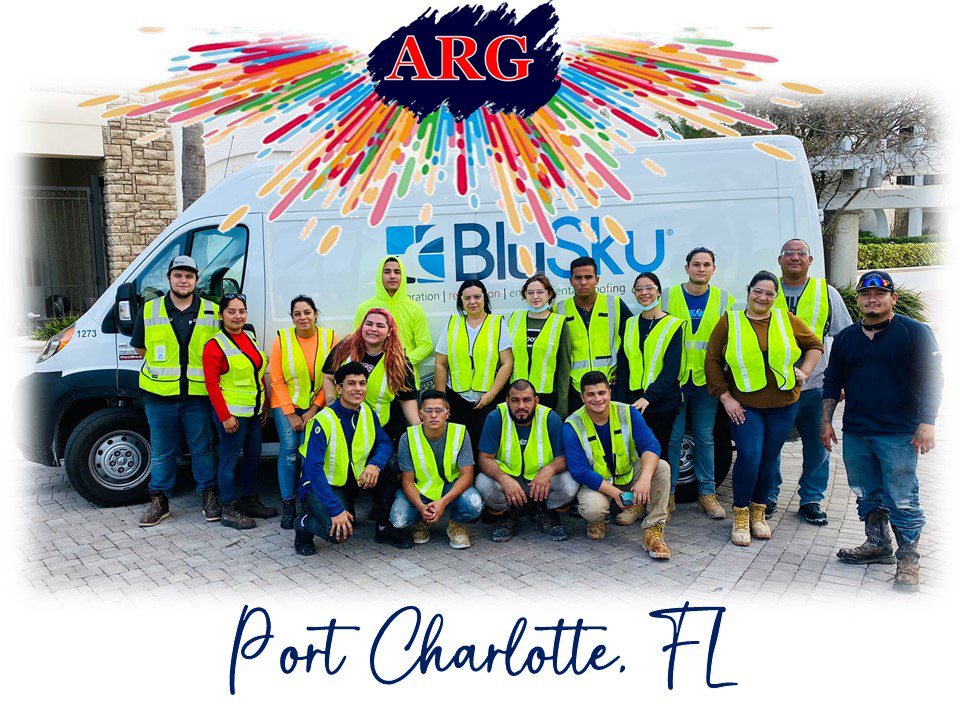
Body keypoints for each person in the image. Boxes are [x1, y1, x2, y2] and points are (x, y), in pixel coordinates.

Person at [822, 271, 943, 591]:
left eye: (879, 294)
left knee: (902, 496)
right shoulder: (847, 337)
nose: (871, 299)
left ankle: (909, 559)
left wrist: (928, 422)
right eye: (865, 294)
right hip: (857, 432)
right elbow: (833, 380)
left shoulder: (914, 332)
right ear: (859, 299)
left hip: (900, 433)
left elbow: (933, 378)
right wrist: (826, 422)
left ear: (893, 298)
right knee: (866, 492)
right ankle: (878, 545)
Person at [705, 271, 822, 547]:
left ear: (775, 296)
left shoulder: (785, 319)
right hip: (745, 406)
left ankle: (759, 515)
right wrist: (726, 398)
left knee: (769, 459)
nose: (763, 297)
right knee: (749, 456)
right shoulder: (730, 321)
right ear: (748, 291)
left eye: (770, 293)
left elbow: (815, 345)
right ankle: (741, 516)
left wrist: (804, 372)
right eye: (758, 291)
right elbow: (711, 360)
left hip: (783, 404)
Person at [767, 239, 853, 523]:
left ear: (810, 260)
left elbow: (844, 338)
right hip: (773, 387)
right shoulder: (767, 291)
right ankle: (767, 496)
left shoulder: (826, 293)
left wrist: (842, 381)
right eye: (788, 253)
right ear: (779, 260)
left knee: (818, 445)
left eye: (800, 253)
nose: (794, 257)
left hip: (817, 385)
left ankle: (812, 500)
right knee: (771, 444)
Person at [132, 255, 219, 527]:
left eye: (189, 276)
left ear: (196, 279)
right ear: (169, 278)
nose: (184, 280)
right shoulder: (149, 310)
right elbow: (140, 349)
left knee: (203, 448)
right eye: (178, 275)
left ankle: (208, 495)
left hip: (198, 397)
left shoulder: (212, 311)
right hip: (159, 398)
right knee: (162, 452)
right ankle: (159, 501)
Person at [294, 362, 411, 554]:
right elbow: (312, 469)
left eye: (362, 383)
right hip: (322, 485)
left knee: (391, 466)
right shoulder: (323, 420)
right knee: (337, 534)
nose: (358, 389)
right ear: (339, 388)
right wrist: (335, 510)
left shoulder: (366, 411)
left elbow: (384, 443)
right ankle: (303, 524)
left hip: (352, 481)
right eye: (351, 384)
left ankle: (383, 527)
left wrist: (375, 465)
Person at [563, 371, 672, 559]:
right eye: (590, 394)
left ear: (610, 393)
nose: (597, 399)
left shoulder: (627, 412)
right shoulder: (572, 424)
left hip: (627, 473)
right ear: (582, 397)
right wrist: (616, 494)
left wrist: (645, 479)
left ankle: (653, 530)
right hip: (597, 483)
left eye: (601, 393)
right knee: (592, 508)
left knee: (661, 468)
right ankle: (597, 521)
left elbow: (651, 445)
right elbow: (580, 471)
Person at [660, 247, 735, 520]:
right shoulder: (667, 296)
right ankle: (667, 495)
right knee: (674, 438)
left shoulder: (724, 299)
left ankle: (707, 493)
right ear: (686, 268)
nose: (701, 269)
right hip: (676, 381)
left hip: (708, 381)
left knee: (705, 437)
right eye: (696, 264)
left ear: (713, 269)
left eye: (706, 264)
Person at [203, 293, 277, 530]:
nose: (237, 316)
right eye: (231, 311)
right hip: (232, 415)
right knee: (228, 460)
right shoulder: (215, 345)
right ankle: (229, 508)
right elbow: (212, 384)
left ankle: (248, 499)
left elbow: (257, 373)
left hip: (253, 412)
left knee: (253, 457)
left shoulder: (249, 337)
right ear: (221, 314)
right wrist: (224, 416)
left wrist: (264, 405)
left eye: (241, 311)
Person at [475, 379, 578, 542]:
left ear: (536, 401)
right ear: (507, 401)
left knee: (570, 483)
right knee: (483, 483)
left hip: (542, 482)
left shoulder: (550, 418)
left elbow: (565, 457)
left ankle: (545, 510)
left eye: (527, 400)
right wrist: (504, 479)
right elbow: (484, 459)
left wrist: (548, 470)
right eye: (515, 400)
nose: (521, 406)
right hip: (509, 481)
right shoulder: (496, 417)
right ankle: (509, 512)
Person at [269, 295, 336, 529]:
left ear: (315, 313)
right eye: (297, 314)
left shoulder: (329, 338)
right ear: (292, 317)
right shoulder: (281, 339)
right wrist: (291, 414)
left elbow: (331, 377)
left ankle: (309, 503)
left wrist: (314, 410)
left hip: (315, 406)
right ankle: (288, 505)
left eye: (307, 312)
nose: (303, 317)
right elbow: (276, 380)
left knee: (310, 453)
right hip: (285, 403)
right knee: (288, 452)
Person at [389, 390, 483, 549]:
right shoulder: (408, 438)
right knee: (399, 519)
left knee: (474, 504)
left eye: (439, 410)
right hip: (422, 489)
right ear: (420, 414)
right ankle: (423, 519)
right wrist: (420, 507)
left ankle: (456, 523)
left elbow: (467, 476)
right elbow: (407, 481)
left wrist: (442, 503)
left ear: (448, 413)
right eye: (428, 410)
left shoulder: (460, 433)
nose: (433, 415)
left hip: (450, 488)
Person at [434, 279, 514, 454]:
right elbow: (440, 363)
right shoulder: (452, 324)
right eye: (467, 298)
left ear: (485, 298)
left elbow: (507, 363)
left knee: (484, 447)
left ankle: (482, 479)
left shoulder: (497, 323)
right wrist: (441, 399)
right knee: (458, 445)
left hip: (487, 399)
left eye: (477, 296)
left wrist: (491, 394)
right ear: (461, 301)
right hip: (456, 397)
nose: (472, 301)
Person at [617, 271, 685, 469]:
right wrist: (622, 399)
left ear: (658, 292)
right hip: (633, 402)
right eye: (639, 289)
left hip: (661, 403)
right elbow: (624, 365)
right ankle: (636, 498)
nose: (644, 293)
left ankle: (661, 499)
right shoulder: (629, 324)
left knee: (658, 454)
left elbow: (671, 370)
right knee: (633, 454)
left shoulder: (673, 325)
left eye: (649, 288)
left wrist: (648, 397)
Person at [321, 308, 420, 443]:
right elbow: (327, 376)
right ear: (362, 327)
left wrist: (417, 426)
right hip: (343, 426)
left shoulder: (399, 361)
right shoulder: (344, 349)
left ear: (390, 332)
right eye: (369, 324)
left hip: (380, 431)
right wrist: (331, 404)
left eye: (380, 326)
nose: (373, 329)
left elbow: (406, 398)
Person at [556, 257, 632, 416]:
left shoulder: (615, 304)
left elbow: (632, 342)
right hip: (576, 391)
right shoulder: (559, 310)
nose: (583, 282)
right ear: (571, 281)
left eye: (588, 277)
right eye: (578, 278)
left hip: (609, 388)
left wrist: (622, 376)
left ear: (597, 279)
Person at [354, 256, 432, 386]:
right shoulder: (364, 308)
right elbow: (357, 344)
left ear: (403, 276)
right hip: (373, 381)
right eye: (387, 272)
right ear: (380, 275)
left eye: (397, 272)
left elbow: (426, 345)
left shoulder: (415, 308)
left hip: (405, 379)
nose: (392, 276)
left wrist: (402, 362)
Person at [507, 274, 571, 415]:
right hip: (517, 396)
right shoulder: (515, 318)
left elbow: (564, 368)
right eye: (530, 292)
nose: (535, 297)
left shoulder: (559, 323)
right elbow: (506, 361)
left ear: (549, 294)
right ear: (525, 295)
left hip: (546, 396)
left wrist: (562, 405)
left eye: (540, 292)